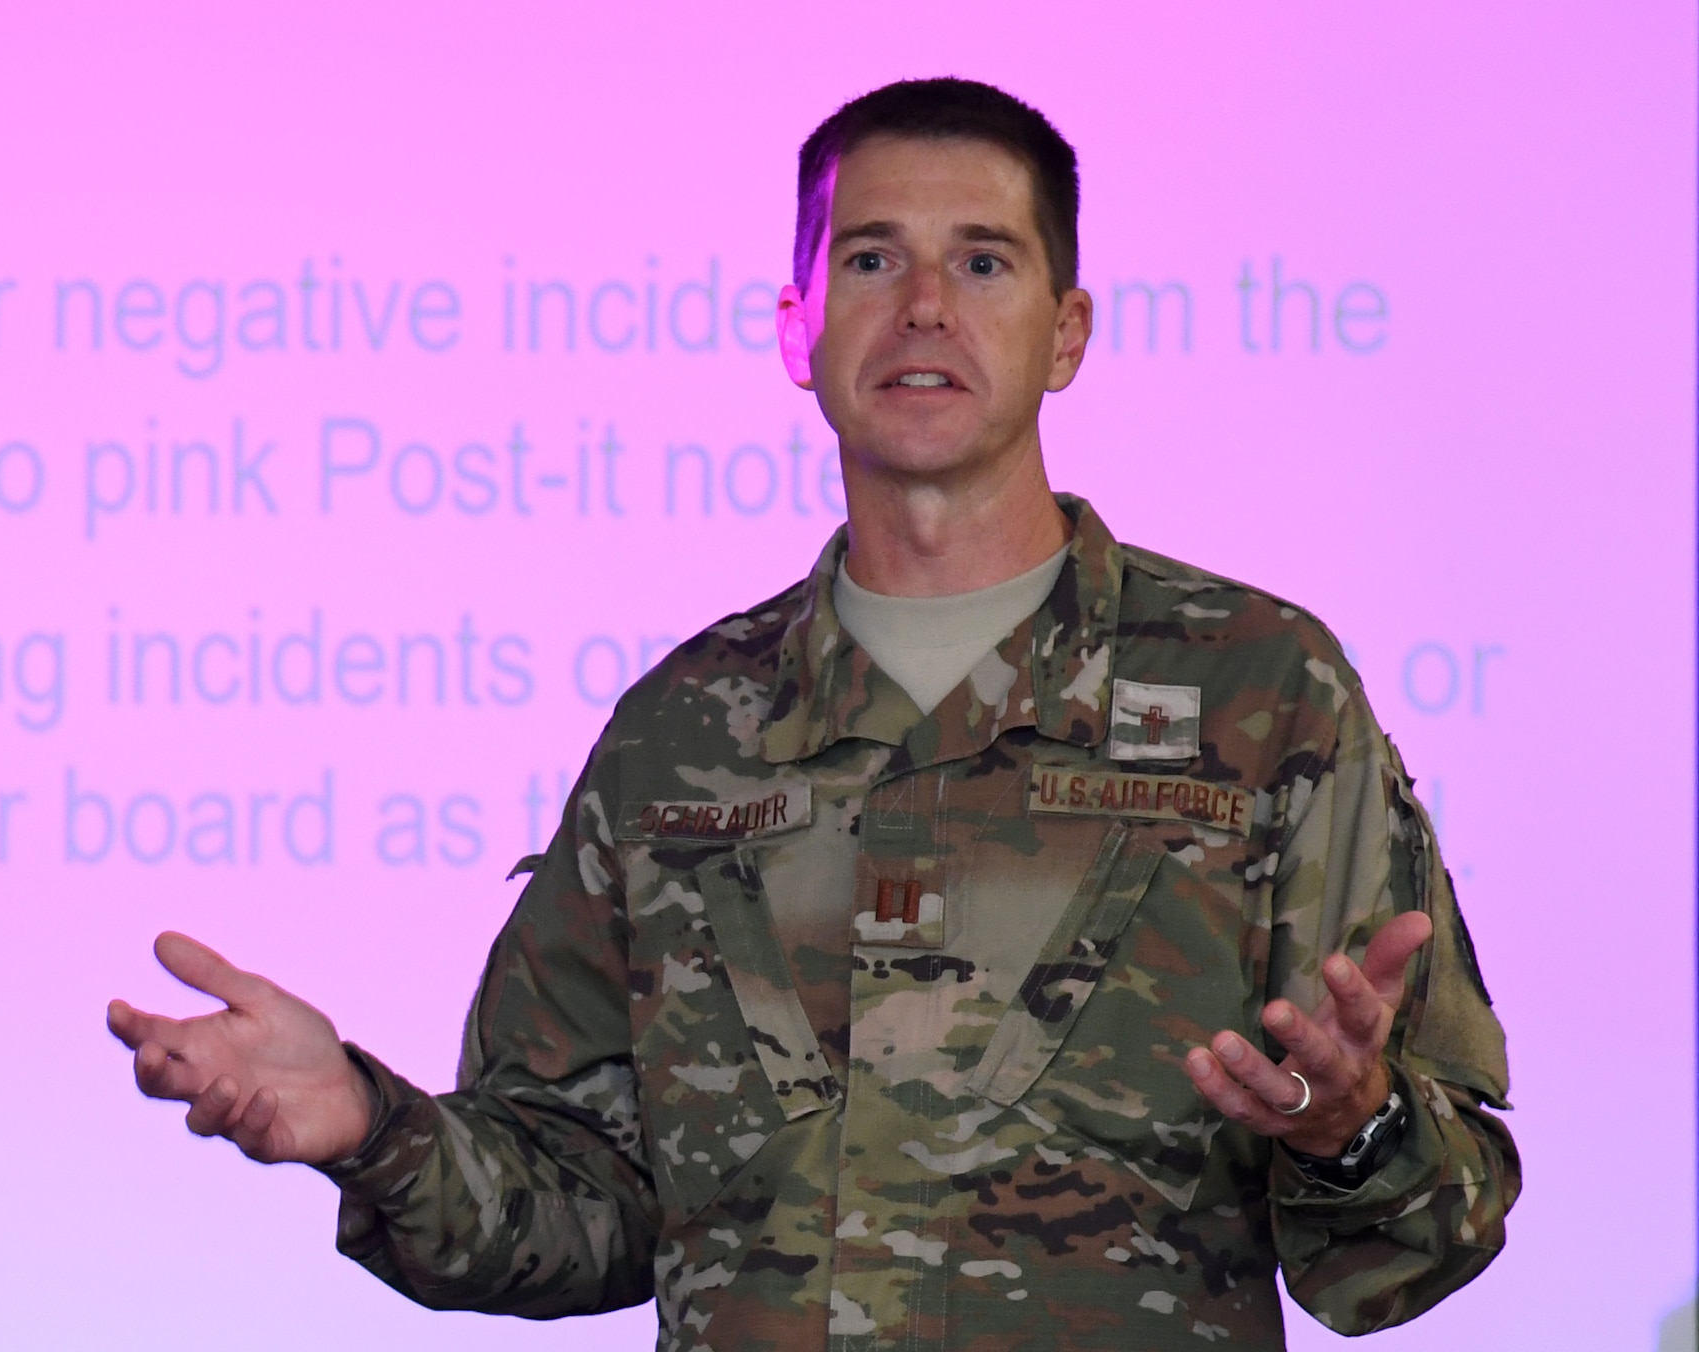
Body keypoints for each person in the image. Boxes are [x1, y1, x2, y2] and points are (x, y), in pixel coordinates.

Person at [107, 78, 1517, 1349]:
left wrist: (1357, 1125)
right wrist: (368, 1124)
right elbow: (586, 1205)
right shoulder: (681, 731)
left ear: (1067, 332)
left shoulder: (1263, 692)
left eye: (983, 261)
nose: (924, 308)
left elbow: (1423, 1246)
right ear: (798, 330)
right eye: (869, 259)